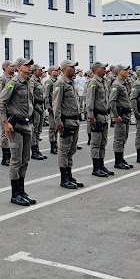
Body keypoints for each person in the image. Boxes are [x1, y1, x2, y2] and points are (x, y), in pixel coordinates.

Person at [0, 57, 36, 205]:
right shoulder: (14, 82)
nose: (29, 67)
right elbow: (0, 101)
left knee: (25, 159)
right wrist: (5, 122)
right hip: (16, 126)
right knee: (16, 160)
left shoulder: (28, 81)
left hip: (26, 124)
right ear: (19, 68)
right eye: (26, 65)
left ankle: (21, 190)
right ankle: (15, 194)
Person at [53, 60, 83, 189]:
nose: (74, 69)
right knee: (64, 150)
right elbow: (56, 105)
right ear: (65, 69)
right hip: (66, 121)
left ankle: (69, 175)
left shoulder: (72, 83)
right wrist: (58, 123)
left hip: (75, 120)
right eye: (72, 67)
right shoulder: (60, 83)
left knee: (71, 150)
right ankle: (64, 178)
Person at [86, 62, 113, 177]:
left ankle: (101, 165)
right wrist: (91, 117)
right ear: (96, 70)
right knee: (96, 143)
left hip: (104, 116)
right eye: (103, 68)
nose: (105, 69)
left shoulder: (104, 81)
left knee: (103, 142)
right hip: (97, 116)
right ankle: (96, 167)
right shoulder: (93, 83)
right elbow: (90, 101)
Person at [109, 65, 134, 169]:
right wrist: (115, 116)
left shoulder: (125, 83)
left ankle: (121, 158)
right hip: (120, 115)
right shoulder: (117, 85)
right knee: (119, 138)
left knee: (124, 137)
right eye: (125, 70)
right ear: (119, 72)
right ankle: (117, 160)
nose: (127, 71)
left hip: (126, 114)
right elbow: (112, 101)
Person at [0, 61, 15, 166]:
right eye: (11, 66)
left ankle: (11, 154)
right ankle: (5, 156)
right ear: (5, 68)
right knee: (5, 133)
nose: (13, 68)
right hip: (6, 110)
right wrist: (2, 111)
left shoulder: (14, 79)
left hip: (13, 110)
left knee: (12, 133)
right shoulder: (2, 80)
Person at [30, 65, 47, 160]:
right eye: (40, 70)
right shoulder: (32, 81)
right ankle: (34, 149)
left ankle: (37, 148)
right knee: (34, 129)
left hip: (41, 106)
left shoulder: (40, 81)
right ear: (34, 71)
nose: (41, 72)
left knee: (39, 130)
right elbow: (31, 96)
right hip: (36, 107)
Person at [45, 66, 60, 156]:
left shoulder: (58, 81)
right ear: (50, 72)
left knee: (57, 126)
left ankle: (56, 143)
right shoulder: (49, 82)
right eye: (55, 70)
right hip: (52, 107)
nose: (57, 72)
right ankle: (53, 145)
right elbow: (46, 95)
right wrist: (48, 107)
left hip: (57, 107)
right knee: (52, 127)